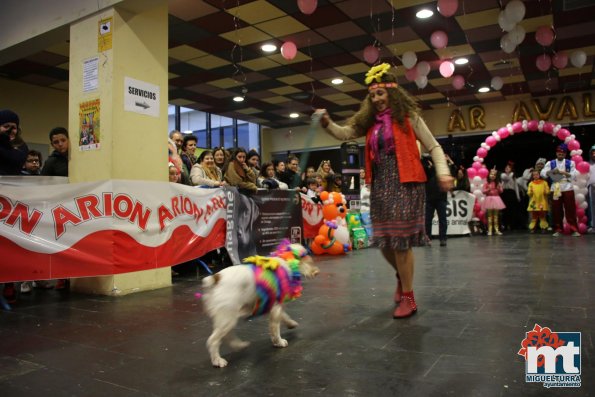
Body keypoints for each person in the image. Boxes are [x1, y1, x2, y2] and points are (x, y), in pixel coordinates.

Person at [315, 63, 453, 318]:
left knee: (400, 243)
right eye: (373, 95)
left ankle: (409, 298)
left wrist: (443, 172)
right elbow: (344, 133)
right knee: (384, 242)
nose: (377, 99)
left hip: (407, 183)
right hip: (381, 184)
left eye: (381, 93)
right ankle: (402, 276)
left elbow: (433, 146)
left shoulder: (409, 117)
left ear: (393, 92)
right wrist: (327, 123)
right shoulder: (369, 123)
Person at [541, 144, 580, 237]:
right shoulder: (550, 163)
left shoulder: (570, 163)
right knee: (556, 210)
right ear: (556, 153)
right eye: (559, 153)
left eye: (562, 153)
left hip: (567, 187)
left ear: (565, 154)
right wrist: (550, 172)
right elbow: (542, 173)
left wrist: (565, 173)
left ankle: (574, 229)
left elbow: (575, 175)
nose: (560, 154)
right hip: (556, 187)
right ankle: (558, 229)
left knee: (570, 209)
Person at [422, 154, 452, 247]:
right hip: (429, 198)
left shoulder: (443, 169)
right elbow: (422, 165)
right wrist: (427, 161)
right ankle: (428, 238)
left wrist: (449, 161)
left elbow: (452, 172)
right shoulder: (428, 169)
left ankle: (443, 238)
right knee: (428, 220)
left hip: (441, 198)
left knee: (442, 219)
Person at [0, 109, 28, 176]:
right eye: (6, 126)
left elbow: (17, 159)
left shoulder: (21, 144)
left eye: (14, 127)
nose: (10, 130)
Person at [482, 169, 505, 236]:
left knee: (496, 216)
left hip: (496, 199)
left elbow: (501, 191)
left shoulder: (497, 183)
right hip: (489, 199)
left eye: (494, 175)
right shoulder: (486, 183)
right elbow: (483, 191)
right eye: (491, 174)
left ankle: (496, 230)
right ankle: (490, 230)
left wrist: (499, 188)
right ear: (489, 175)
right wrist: (488, 189)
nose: (493, 176)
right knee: (489, 216)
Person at [500, 161, 522, 230]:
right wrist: (511, 173)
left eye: (509, 167)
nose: (507, 168)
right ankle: (505, 225)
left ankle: (512, 225)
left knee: (512, 210)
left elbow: (516, 187)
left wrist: (518, 196)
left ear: (511, 169)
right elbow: (506, 178)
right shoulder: (503, 175)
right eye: (506, 167)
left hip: (511, 193)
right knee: (505, 210)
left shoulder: (513, 176)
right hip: (505, 193)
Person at [587, 145, 595, 232]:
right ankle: (593, 225)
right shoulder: (588, 165)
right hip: (592, 187)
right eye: (593, 153)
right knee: (592, 207)